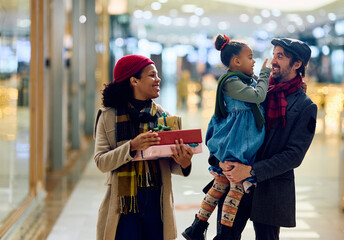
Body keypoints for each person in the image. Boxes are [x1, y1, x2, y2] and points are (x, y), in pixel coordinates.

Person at [213, 38, 317, 240]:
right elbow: (222, 124)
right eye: (274, 54)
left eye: (281, 56)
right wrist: (218, 159)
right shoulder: (254, 91)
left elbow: (294, 155)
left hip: (271, 187)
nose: (273, 61)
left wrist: (252, 170)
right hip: (234, 180)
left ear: (297, 65)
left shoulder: (305, 106)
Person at [93, 54, 194, 240]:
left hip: (156, 200)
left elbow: (172, 164)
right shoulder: (108, 117)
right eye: (152, 75)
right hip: (123, 204)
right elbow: (101, 162)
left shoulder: (164, 117)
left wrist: (184, 162)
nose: (158, 79)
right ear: (134, 80)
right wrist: (132, 146)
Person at [182, 34, 270, 240]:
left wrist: (260, 77)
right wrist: (265, 74)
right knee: (236, 186)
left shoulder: (242, 79)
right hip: (237, 144)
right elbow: (258, 96)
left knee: (221, 183)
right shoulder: (231, 82)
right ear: (236, 61)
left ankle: (196, 227)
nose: (254, 60)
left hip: (237, 142)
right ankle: (225, 234)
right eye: (250, 56)